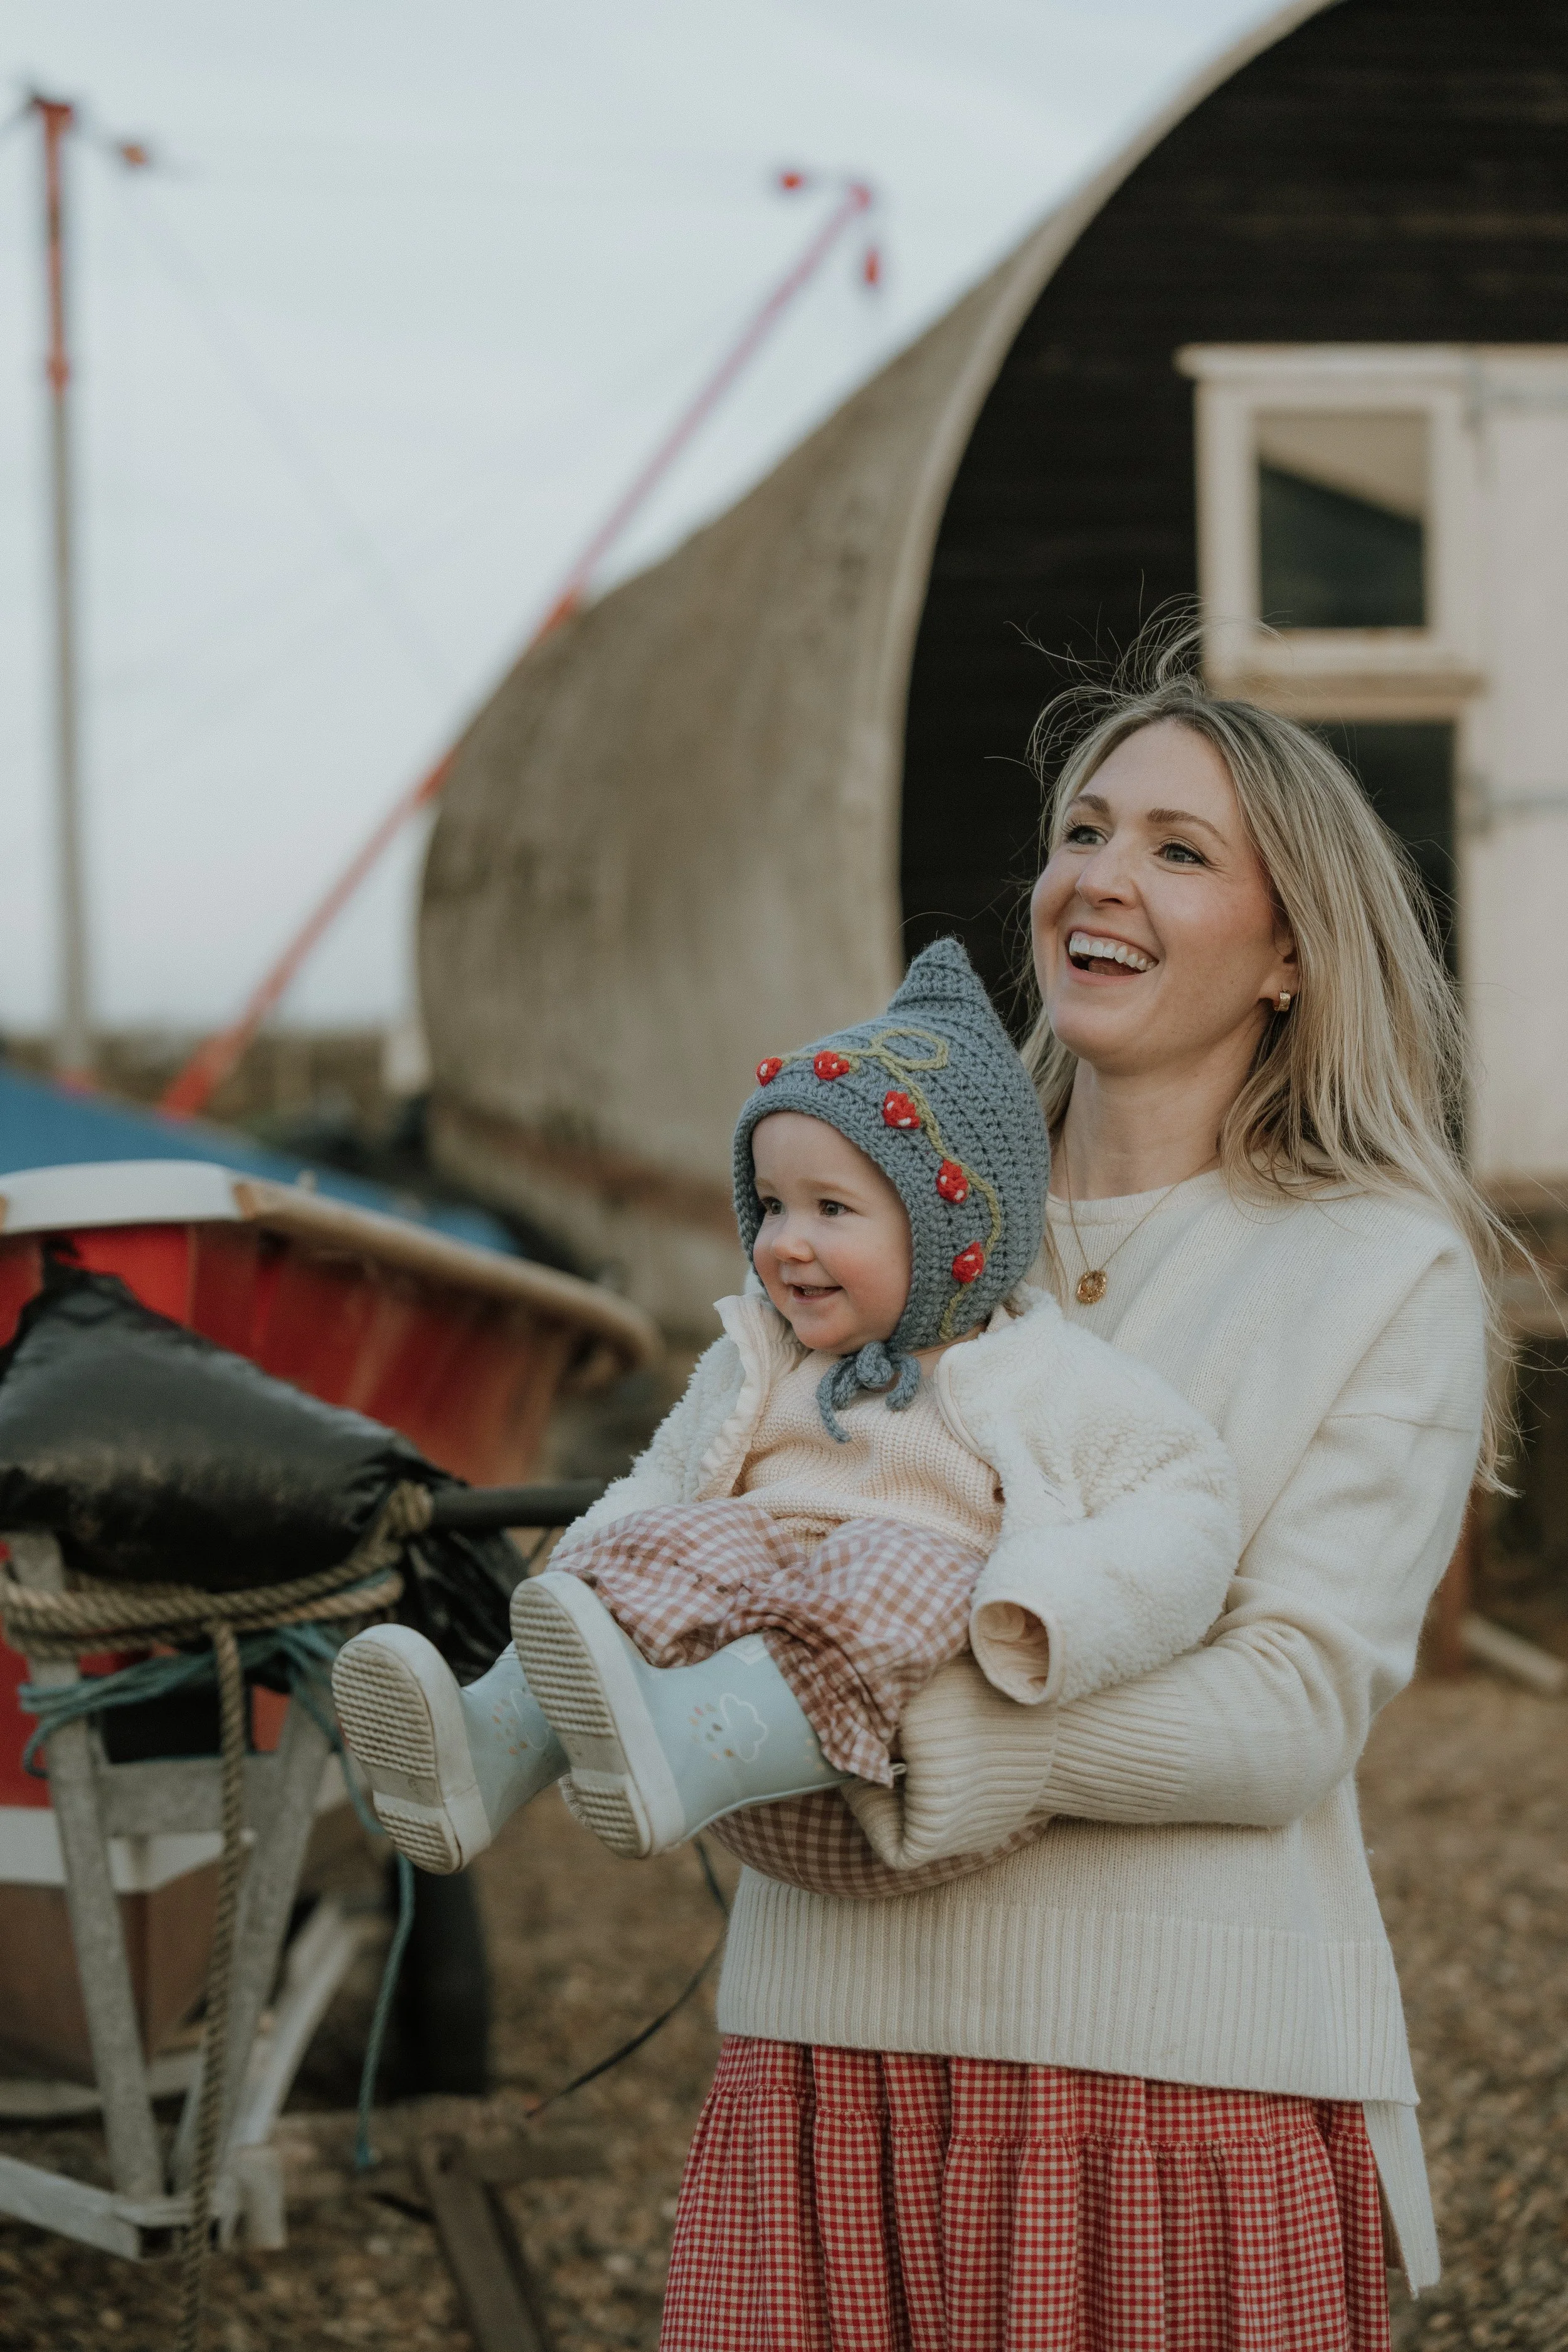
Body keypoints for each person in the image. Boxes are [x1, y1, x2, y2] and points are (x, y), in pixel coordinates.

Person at [654, 651, 1493, 2351]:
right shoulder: (878, 1225)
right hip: (830, 2040)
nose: (1098, 875)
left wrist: (961, 1747)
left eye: (1180, 849)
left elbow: (1290, 1703)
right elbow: (740, 1511)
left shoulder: (1381, 1265)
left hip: (1178, 2075)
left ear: (1288, 950)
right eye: (1082, 829)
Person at [334, 938, 1241, 1873]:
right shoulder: (765, 1358)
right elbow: (663, 1474)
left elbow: (1190, 1499)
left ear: (953, 1229)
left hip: (885, 1773)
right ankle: (491, 1745)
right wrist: (589, 1583)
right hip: (729, 1766)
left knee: (896, 1560)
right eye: (770, 1205)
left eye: (831, 1210)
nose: (784, 1243)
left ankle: (681, 1740)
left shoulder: (1037, 1374)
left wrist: (1045, 1605)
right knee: (665, 1538)